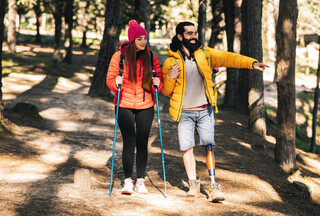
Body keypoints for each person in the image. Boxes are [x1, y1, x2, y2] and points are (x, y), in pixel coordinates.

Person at [161, 21, 268, 202]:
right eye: (189, 34)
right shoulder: (170, 62)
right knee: (187, 149)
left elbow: (230, 58)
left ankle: (213, 185)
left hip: (205, 112)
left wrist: (252, 63)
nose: (194, 36)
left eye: (195, 33)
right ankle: (193, 183)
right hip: (185, 113)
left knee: (209, 147)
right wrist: (170, 78)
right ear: (180, 37)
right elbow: (165, 91)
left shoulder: (206, 55)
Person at [106, 20, 163, 194]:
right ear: (132, 40)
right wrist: (115, 83)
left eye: (145, 38)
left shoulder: (151, 56)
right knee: (129, 141)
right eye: (139, 38)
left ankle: (140, 180)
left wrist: (157, 83)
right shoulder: (119, 57)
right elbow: (109, 79)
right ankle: (128, 181)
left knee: (142, 142)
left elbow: (159, 80)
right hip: (123, 104)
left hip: (145, 105)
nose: (143, 42)